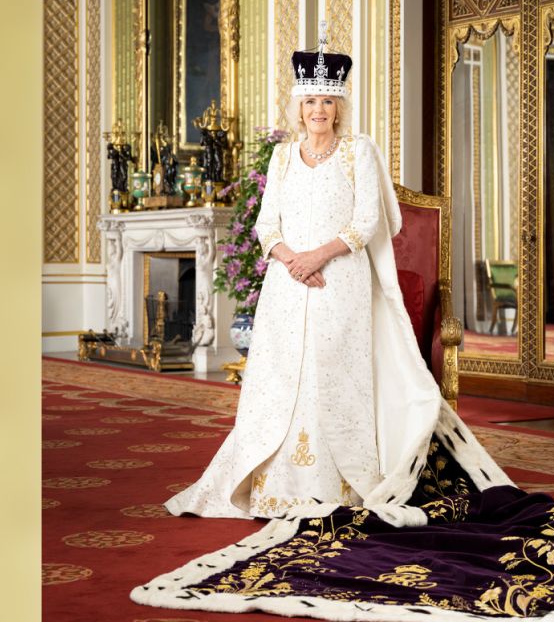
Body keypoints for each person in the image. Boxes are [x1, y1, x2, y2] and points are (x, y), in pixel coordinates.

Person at [164, 35, 511, 520]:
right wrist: (291, 259)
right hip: (288, 285)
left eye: (327, 100)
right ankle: (274, 487)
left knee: (331, 374)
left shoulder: (358, 153)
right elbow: (266, 225)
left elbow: (367, 221)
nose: (318, 110)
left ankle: (340, 485)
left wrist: (318, 257)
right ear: (298, 107)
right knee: (287, 377)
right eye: (310, 101)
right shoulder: (283, 157)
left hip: (341, 279)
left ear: (339, 106)